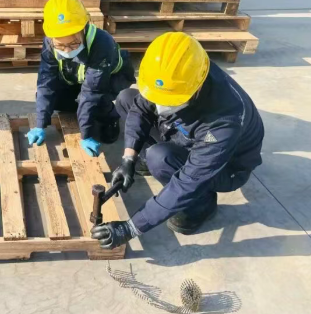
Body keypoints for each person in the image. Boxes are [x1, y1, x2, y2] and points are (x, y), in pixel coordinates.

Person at [91, 32, 264, 250]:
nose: (161, 106)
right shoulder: (177, 75)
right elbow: (140, 109)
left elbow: (188, 181)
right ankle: (153, 161)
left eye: (170, 101)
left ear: (196, 87)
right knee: (126, 98)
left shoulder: (224, 121)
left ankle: (200, 205)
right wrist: (129, 158)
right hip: (186, 134)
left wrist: (131, 228)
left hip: (226, 166)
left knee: (160, 157)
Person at [27, 0, 135, 156]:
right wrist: (40, 124)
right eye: (60, 46)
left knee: (97, 102)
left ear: (83, 28)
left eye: (73, 43)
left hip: (110, 78)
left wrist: (86, 134)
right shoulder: (49, 42)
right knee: (53, 98)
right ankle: (82, 111)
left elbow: (92, 91)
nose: (67, 50)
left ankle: (110, 119)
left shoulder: (102, 43)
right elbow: (46, 82)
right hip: (76, 75)